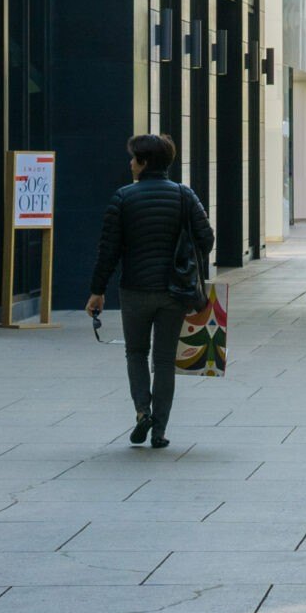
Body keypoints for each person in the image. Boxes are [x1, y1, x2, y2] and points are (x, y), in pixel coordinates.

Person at [84, 133, 214, 450]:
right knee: (165, 361)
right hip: (174, 292)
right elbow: (207, 238)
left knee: (136, 353)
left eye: (133, 158)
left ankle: (143, 411)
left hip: (135, 290)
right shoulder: (185, 195)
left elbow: (108, 251)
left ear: (143, 162)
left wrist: (97, 291)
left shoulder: (123, 198)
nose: (130, 163)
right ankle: (160, 430)